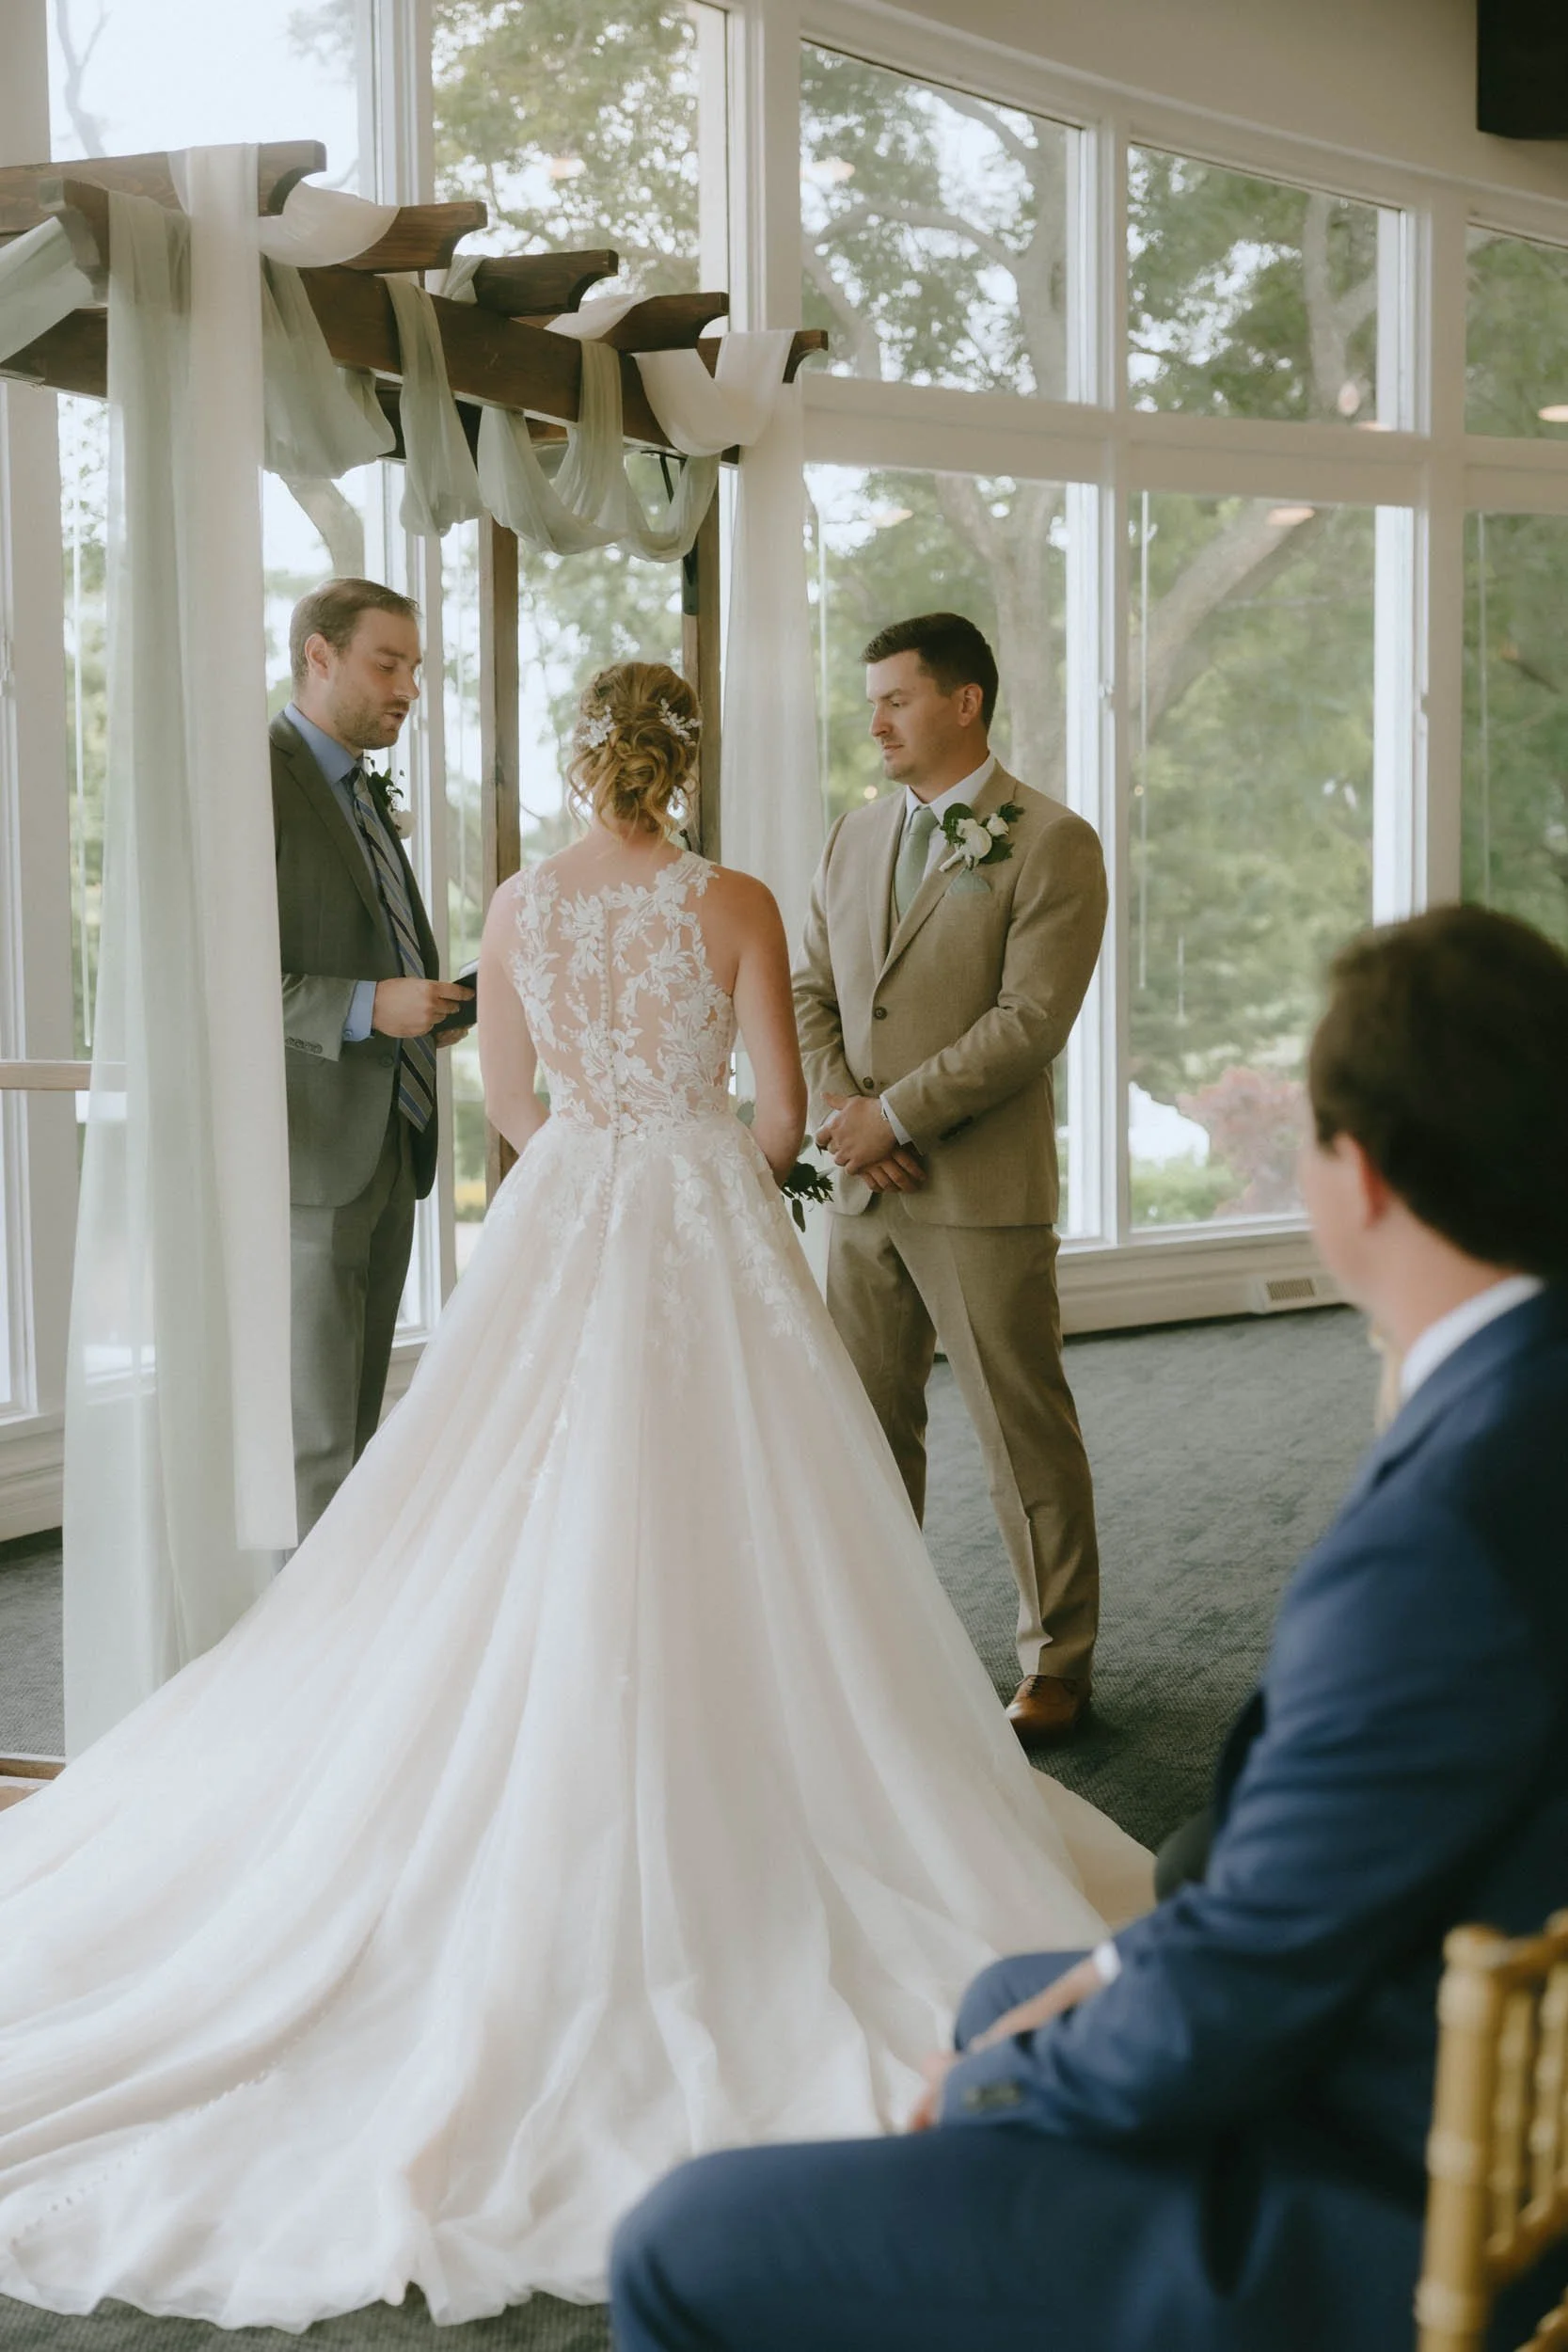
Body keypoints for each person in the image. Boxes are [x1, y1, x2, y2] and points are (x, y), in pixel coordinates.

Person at [0, 661, 1149, 2330]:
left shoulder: (519, 902)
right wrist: (688, 1159)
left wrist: (600, 1159)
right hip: (694, 1211)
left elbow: (516, 1107)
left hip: (567, 1220)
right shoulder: (737, 896)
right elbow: (771, 1117)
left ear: (574, 759)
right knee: (763, 1518)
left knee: (494, 1508)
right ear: (685, 763)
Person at [610, 901, 1568, 2352]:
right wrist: (1104, 1978)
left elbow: (1233, 2000)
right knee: (1013, 1980)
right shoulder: (1523, 1397)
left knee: (677, 2241)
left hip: (1353, 2190)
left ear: (1355, 1177)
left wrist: (1004, 2091)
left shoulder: (1442, 1541)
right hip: (1433, 2027)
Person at [794, 612, 1107, 1748]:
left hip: (978, 1191)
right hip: (865, 1189)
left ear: (962, 702)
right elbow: (809, 989)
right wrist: (847, 1118)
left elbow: (1029, 1023)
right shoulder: (853, 831)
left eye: (895, 698)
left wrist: (896, 1110)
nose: (873, 718)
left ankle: (1056, 1664)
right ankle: (882, 1654)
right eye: (870, 699)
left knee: (1018, 1428)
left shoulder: (1051, 840)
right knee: (865, 1432)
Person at [273, 579, 470, 1537]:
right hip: (308, 1153)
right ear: (320, 655)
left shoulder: (357, 785)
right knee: (310, 1437)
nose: (407, 689)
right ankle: (297, 1663)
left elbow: (371, 942)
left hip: (392, 1140)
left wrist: (431, 1006)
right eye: (386, 664)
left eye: (414, 670)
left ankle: (343, 1650)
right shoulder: (257, 773)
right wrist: (362, 1005)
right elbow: (212, 978)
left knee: (354, 1424)